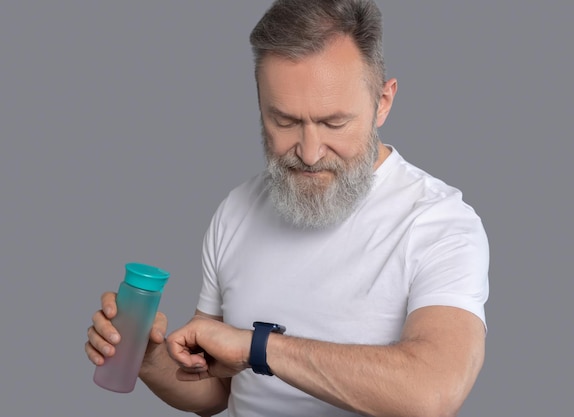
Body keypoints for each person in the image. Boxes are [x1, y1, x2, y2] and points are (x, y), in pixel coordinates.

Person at [85, 1, 489, 416]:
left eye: (334, 123)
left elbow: (432, 394)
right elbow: (214, 390)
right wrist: (149, 358)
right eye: (285, 121)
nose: (310, 153)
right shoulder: (237, 210)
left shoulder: (439, 223)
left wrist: (258, 347)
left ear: (383, 101)